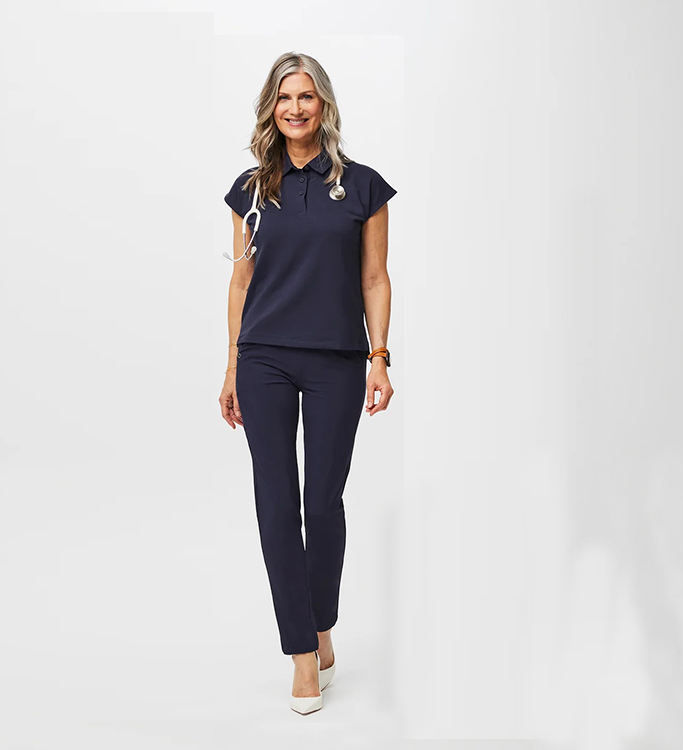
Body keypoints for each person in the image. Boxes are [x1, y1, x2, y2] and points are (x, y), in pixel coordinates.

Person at [218, 51, 397, 715]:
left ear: (324, 106)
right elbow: (241, 281)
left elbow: (374, 278)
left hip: (336, 360)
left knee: (321, 503)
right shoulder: (249, 190)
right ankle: (301, 652)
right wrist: (231, 365)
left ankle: (322, 623)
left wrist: (379, 357)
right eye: (285, 97)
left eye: (307, 97)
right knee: (275, 504)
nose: (295, 108)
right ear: (272, 107)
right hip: (263, 357)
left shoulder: (363, 187)